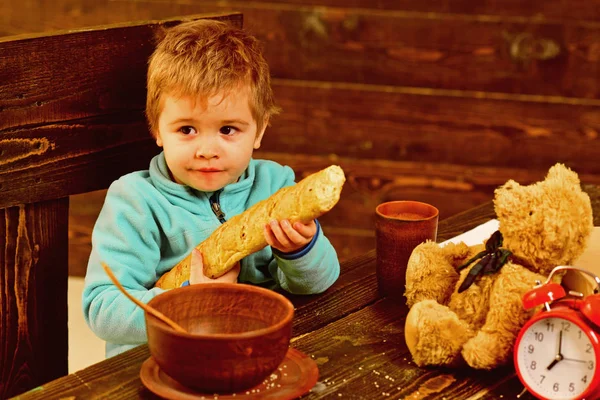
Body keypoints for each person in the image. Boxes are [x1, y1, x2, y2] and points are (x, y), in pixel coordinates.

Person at [82, 19, 340, 358]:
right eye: (187, 129)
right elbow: (102, 309)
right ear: (157, 129)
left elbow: (321, 282)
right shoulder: (135, 202)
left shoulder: (275, 186)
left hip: (251, 356)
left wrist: (299, 252)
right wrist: (189, 302)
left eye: (228, 129)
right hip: (160, 362)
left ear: (259, 131)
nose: (207, 149)